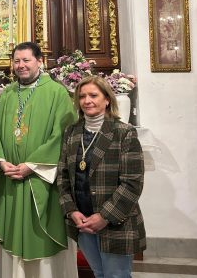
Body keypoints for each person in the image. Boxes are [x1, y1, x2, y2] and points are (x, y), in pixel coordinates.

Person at [0, 41, 78, 277]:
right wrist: (0, 161)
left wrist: (31, 165)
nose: (21, 66)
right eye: (16, 61)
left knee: (42, 237)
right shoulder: (7, 94)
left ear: (40, 61)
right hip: (10, 179)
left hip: (41, 180)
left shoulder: (57, 93)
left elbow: (63, 134)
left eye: (26, 60)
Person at [57, 76, 146, 278]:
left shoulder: (123, 133)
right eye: (82, 96)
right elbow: (63, 177)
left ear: (107, 99)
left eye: (93, 95)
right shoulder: (72, 132)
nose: (87, 100)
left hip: (116, 221)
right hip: (83, 220)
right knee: (98, 273)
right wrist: (71, 211)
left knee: (116, 275)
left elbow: (132, 183)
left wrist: (104, 216)